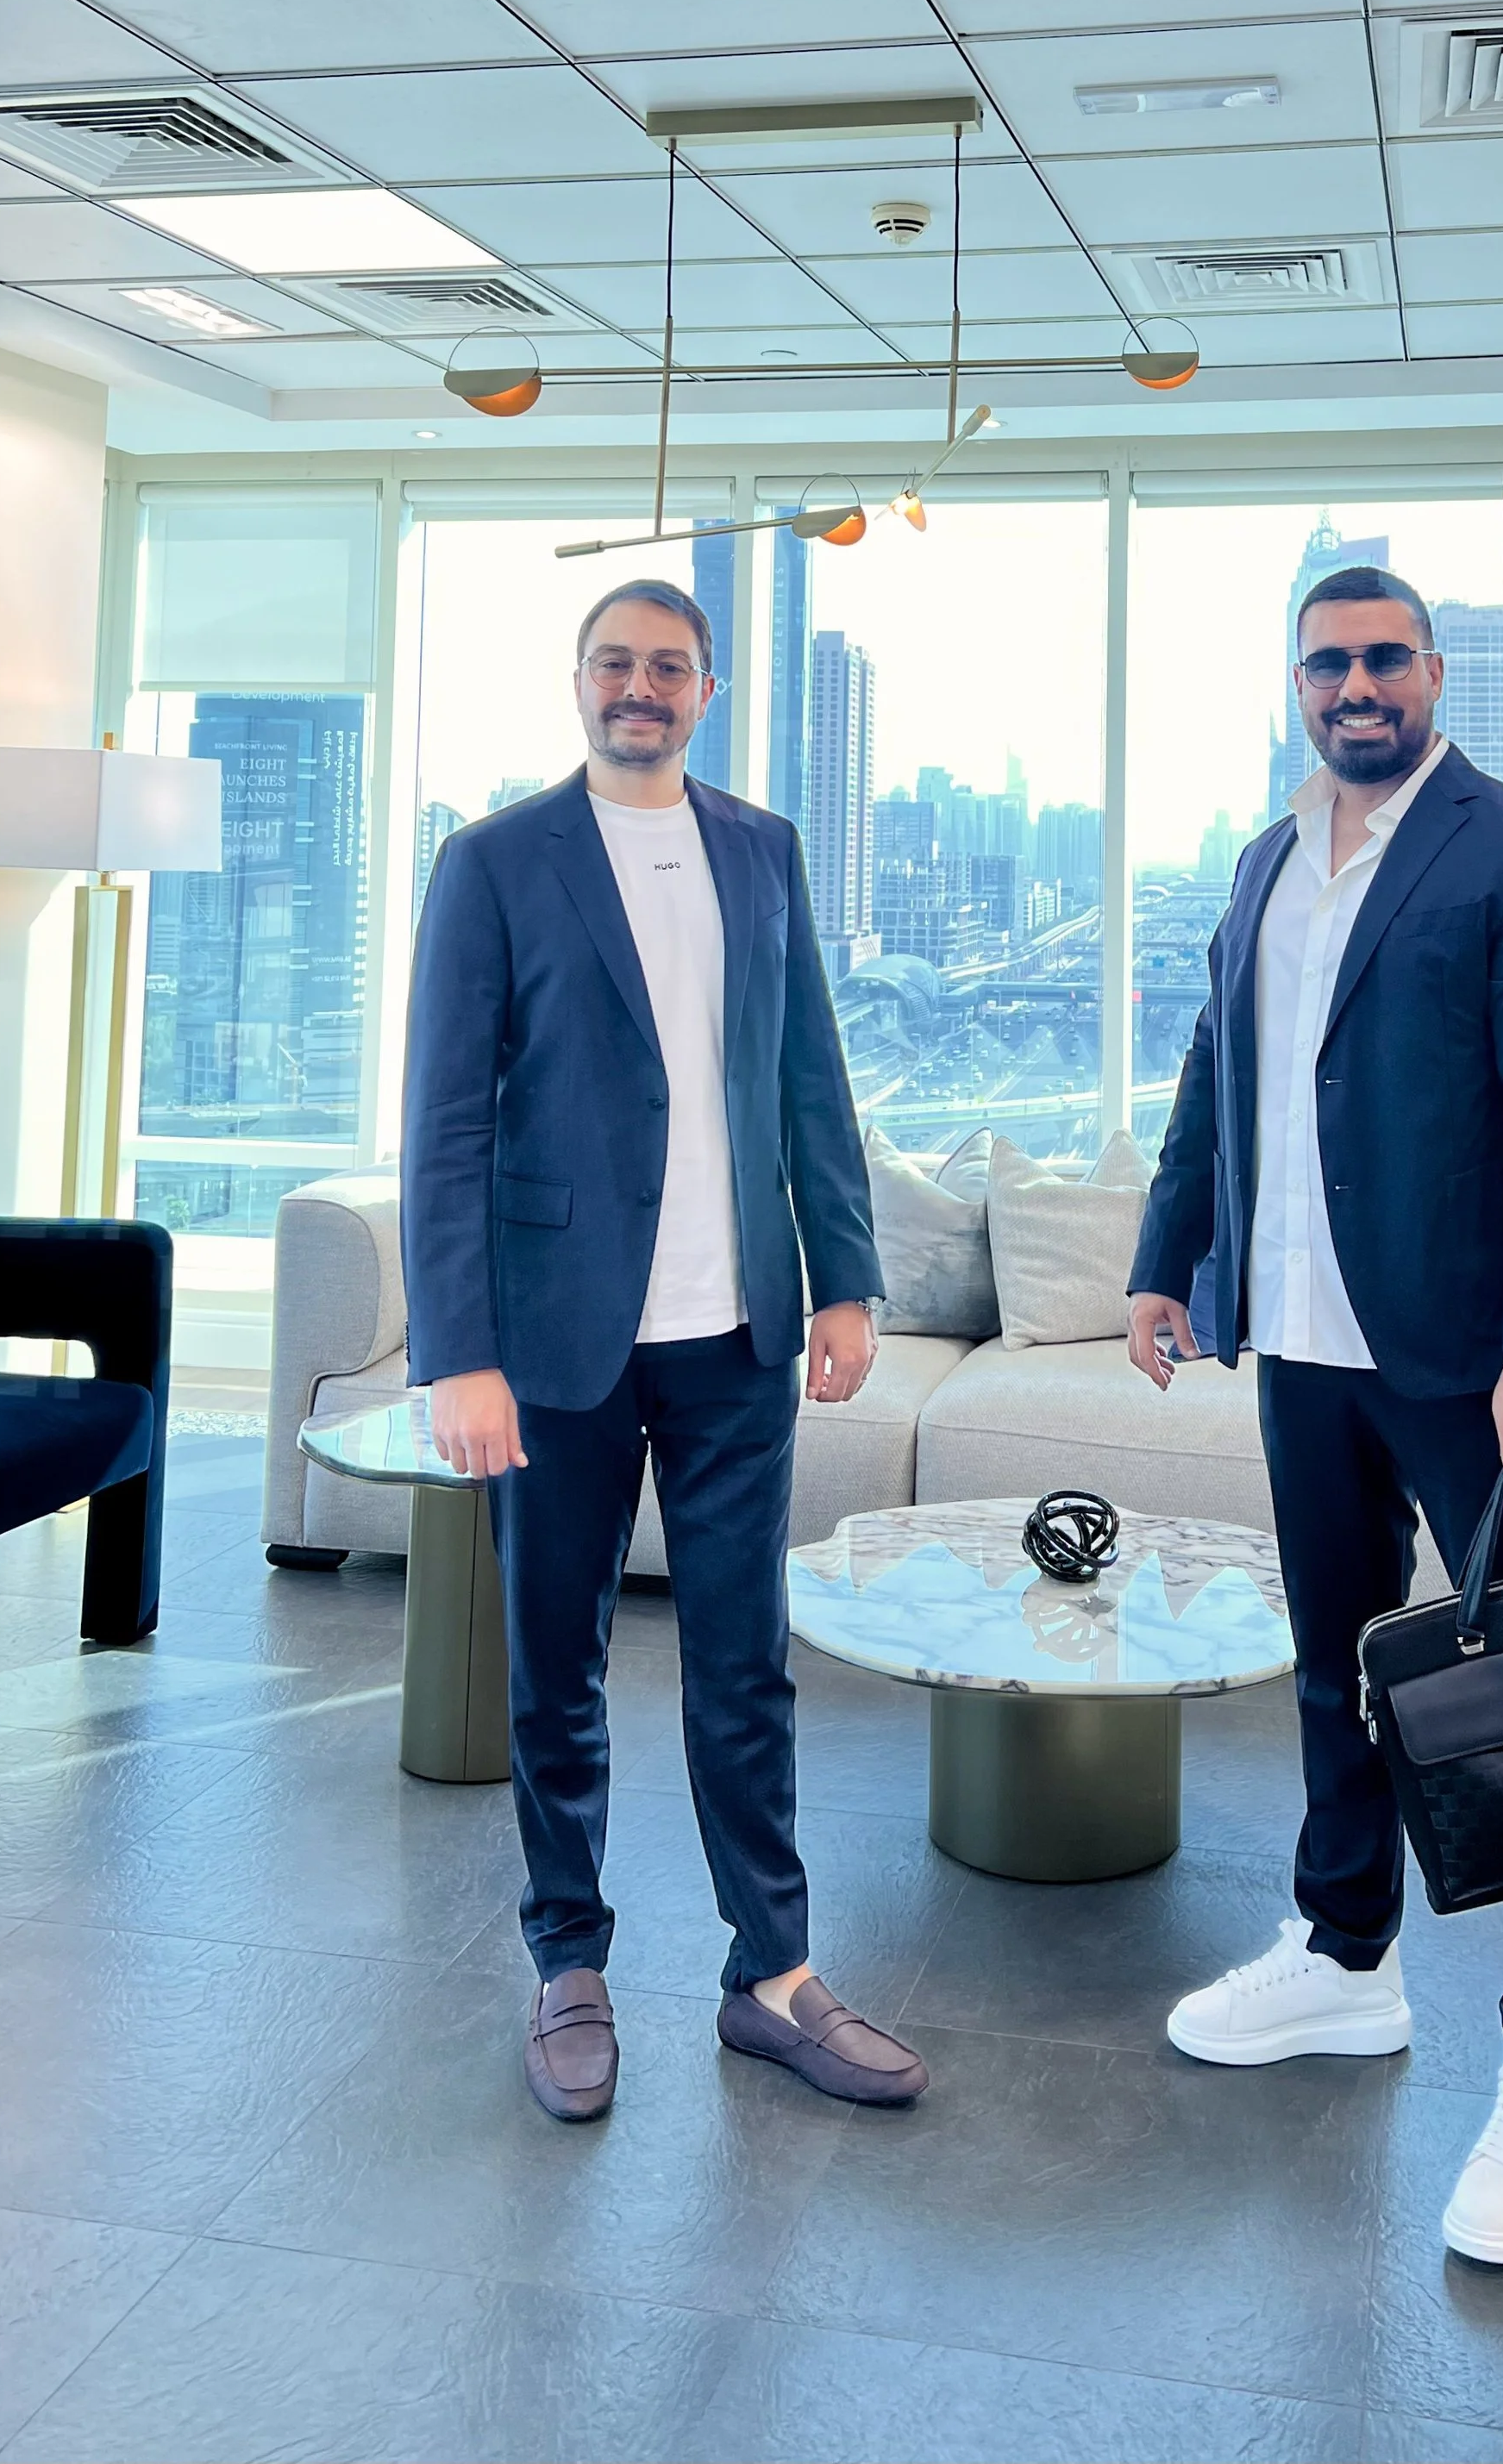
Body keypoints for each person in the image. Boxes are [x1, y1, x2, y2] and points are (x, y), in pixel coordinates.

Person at [1126, 562, 1503, 2266]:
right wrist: (1163, 1256)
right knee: (1334, 1670)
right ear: (1293, 681)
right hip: (1301, 1351)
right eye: (1324, 661)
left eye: (1381, 657)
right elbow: (1217, 1069)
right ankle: (1344, 1959)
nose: (1354, 684)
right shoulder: (1270, 858)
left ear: (1430, 670)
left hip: (1471, 1364)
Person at [403, 577, 928, 2123]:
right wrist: (460, 1353)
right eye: (618, 663)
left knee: (741, 1663)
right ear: (579, 681)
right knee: (554, 1667)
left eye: (672, 668)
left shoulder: (762, 849)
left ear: (708, 691)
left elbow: (810, 1071)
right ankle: (568, 1960)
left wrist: (844, 1277)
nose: (643, 686)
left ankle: (772, 1976)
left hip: (737, 1332)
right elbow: (445, 1124)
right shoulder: (494, 862)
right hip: (555, 1344)